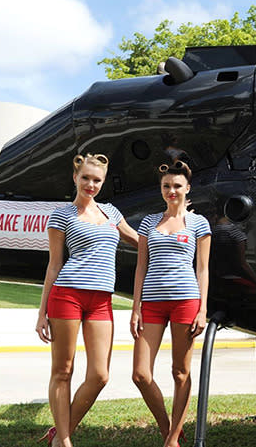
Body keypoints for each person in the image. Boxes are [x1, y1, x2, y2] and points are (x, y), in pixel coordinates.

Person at [35, 153, 139, 447]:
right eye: (86, 178)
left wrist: (177, 223)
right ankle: (64, 440)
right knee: (63, 370)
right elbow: (54, 265)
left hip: (101, 300)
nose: (90, 184)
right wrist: (42, 312)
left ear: (102, 183)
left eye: (97, 180)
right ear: (75, 178)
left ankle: (60, 431)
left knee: (100, 375)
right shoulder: (61, 215)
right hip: (66, 295)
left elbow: (142, 242)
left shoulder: (112, 214)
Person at [131, 160, 211, 447]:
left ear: (187, 188)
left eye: (177, 186)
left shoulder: (199, 223)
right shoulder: (149, 222)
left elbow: (202, 269)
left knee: (180, 372)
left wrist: (202, 309)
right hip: (151, 303)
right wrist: (135, 307)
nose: (171, 191)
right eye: (166, 186)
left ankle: (172, 441)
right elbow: (141, 267)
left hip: (185, 301)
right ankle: (168, 428)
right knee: (140, 374)